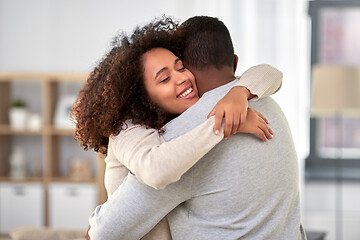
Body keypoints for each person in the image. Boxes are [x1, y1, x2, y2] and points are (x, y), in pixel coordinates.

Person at [88, 15, 306, 240]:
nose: (181, 79)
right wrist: (226, 120)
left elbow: (106, 231)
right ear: (234, 62)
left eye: (180, 67)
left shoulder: (183, 135)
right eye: (164, 79)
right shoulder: (266, 103)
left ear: (187, 64)